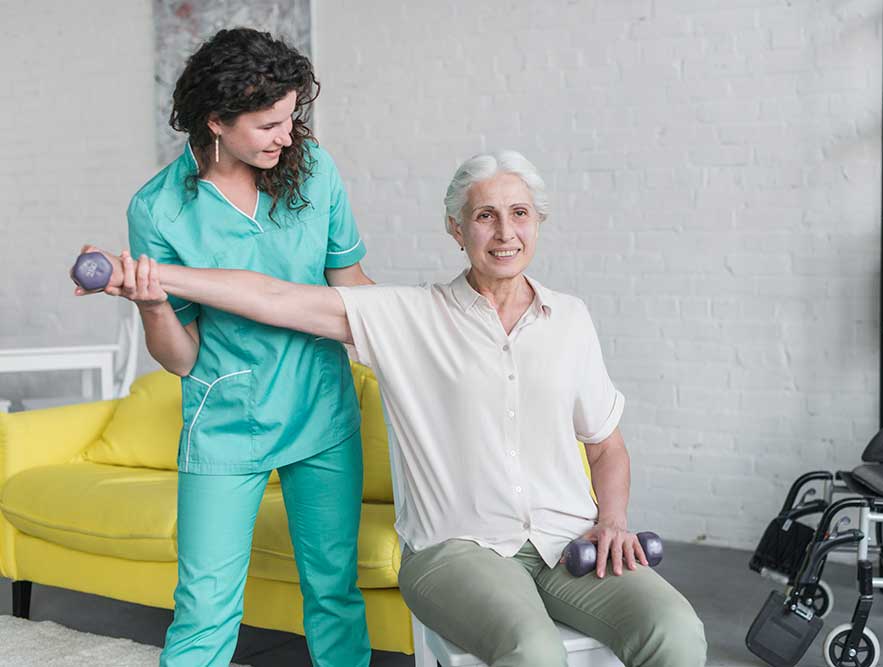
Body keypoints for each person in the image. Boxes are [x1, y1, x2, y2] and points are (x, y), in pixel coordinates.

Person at [80, 150, 707, 667]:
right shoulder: (410, 317)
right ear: (456, 230)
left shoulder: (570, 319)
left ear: (538, 223)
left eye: (519, 214)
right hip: (458, 551)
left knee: (676, 630)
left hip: (569, 541)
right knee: (533, 651)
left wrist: (613, 520)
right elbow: (271, 296)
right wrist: (146, 277)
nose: (505, 232)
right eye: (485, 216)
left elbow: (607, 445)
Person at [95, 27, 372, 667]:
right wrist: (151, 301)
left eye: (292, 118)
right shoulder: (159, 210)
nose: (287, 136)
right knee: (204, 607)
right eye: (269, 124)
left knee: (334, 592)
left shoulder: (313, 169)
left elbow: (352, 289)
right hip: (225, 419)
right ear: (216, 121)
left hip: (321, 408)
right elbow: (180, 358)